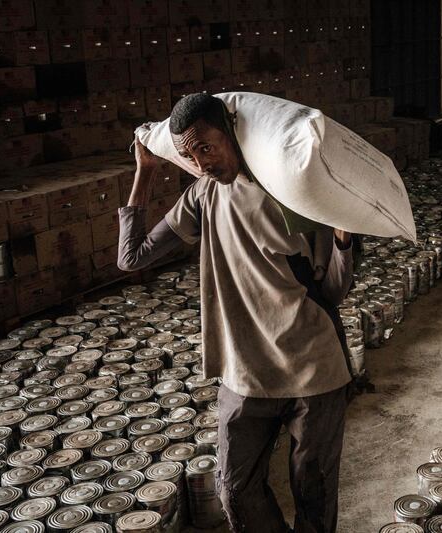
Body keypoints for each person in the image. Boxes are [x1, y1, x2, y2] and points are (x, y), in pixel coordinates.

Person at [118, 93, 354, 533]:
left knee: (313, 496)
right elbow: (132, 257)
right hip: (245, 372)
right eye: (189, 154)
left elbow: (333, 292)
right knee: (234, 491)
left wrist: (342, 239)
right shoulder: (202, 197)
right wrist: (145, 173)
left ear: (232, 132)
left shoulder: (289, 195)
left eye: (207, 147)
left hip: (314, 371)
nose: (201, 162)